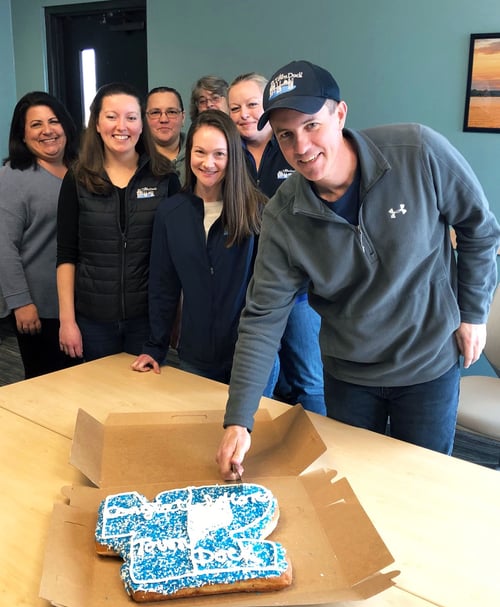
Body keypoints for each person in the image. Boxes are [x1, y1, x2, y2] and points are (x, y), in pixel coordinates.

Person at [217, 59, 500, 480]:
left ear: (340, 114)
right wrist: (239, 417)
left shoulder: (417, 152)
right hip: (349, 374)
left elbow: (479, 228)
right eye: (286, 135)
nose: (302, 148)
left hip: (427, 364)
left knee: (422, 486)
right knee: (355, 487)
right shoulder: (283, 215)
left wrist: (474, 313)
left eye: (312, 125)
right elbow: (263, 317)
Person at [131, 109, 278, 392]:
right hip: (196, 356)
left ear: (232, 156)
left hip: (251, 355)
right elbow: (163, 286)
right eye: (200, 152)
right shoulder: (171, 213)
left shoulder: (259, 211)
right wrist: (155, 346)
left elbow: (273, 291)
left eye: (219, 154)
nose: (208, 163)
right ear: (189, 154)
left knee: (250, 434)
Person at [57, 82, 180, 362]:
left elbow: (176, 256)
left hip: (147, 319)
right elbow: (66, 254)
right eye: (111, 116)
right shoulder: (77, 178)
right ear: (97, 124)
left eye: (131, 117)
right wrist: (67, 321)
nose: (121, 126)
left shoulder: (164, 177)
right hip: (92, 320)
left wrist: (175, 316)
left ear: (142, 124)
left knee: (144, 398)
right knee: (98, 397)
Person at [228, 72, 325, 414]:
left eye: (252, 104)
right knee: (258, 375)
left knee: (309, 378)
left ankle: (322, 451)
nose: (244, 114)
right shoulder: (226, 155)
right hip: (246, 287)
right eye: (235, 107)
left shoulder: (297, 149)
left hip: (300, 289)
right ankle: (255, 445)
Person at [0, 91, 81, 378]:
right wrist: (21, 302)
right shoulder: (13, 176)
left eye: (54, 121)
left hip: (81, 302)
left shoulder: (82, 168)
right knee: (48, 384)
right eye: (36, 125)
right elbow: (4, 246)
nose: (47, 130)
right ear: (22, 135)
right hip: (40, 307)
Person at [145, 86, 187, 185]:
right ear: (145, 118)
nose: (164, 119)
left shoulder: (199, 156)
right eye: (155, 112)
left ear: (183, 118)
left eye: (172, 112)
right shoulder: (133, 160)